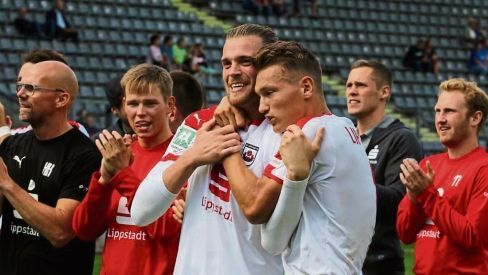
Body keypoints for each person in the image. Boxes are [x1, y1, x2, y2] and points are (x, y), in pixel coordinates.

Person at [130, 24, 284, 275]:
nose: (233, 72)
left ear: (270, 66)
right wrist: (193, 157)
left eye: (245, 62)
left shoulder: (284, 132)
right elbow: (141, 212)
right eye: (226, 63)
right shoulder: (198, 123)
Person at [211, 40, 375, 274]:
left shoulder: (308, 133)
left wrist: (227, 144)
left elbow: (261, 220)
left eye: (269, 93)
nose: (263, 107)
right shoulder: (345, 128)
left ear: (306, 87)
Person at [72, 64, 183, 275]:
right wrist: (104, 179)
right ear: (124, 105)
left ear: (170, 105)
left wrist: (122, 174)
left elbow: (166, 231)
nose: (140, 112)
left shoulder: (183, 160)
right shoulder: (121, 154)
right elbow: (84, 229)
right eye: (133, 104)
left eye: (150, 103)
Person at [0, 61, 101, 275]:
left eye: (31, 88)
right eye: (20, 86)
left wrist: (7, 184)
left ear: (61, 99)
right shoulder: (13, 145)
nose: (20, 94)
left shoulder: (85, 155)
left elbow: (60, 232)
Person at [397, 78, 488, 274]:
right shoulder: (428, 166)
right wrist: (414, 198)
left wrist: (426, 195)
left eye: (449, 111)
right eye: (437, 111)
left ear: (475, 118)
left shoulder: (484, 169)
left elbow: (472, 236)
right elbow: (405, 233)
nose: (440, 119)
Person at [345, 59, 423, 275]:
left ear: (384, 92)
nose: (352, 91)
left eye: (360, 85)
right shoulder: (342, 136)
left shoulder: (402, 139)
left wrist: (349, 181)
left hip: (379, 264)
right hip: (339, 260)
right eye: (349, 85)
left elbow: (400, 201)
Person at [91, 77, 134, 141]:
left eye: (148, 103)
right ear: (114, 110)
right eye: (132, 104)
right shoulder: (100, 142)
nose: (140, 111)